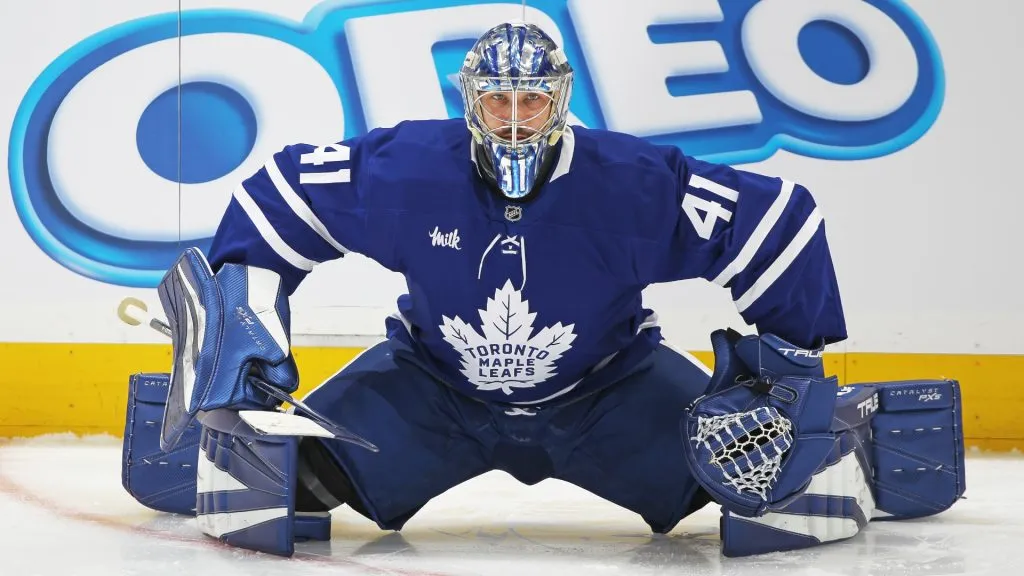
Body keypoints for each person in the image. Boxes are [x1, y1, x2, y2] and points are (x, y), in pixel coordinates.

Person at [126, 22, 964, 558]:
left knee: (772, 498)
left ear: (561, 98)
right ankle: (194, 437)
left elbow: (781, 221)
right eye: (498, 100)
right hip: (431, 389)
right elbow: (279, 195)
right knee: (266, 494)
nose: (517, 118)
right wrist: (243, 324)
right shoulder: (410, 170)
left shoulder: (629, 182)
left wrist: (786, 378)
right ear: (470, 103)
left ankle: (857, 438)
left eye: (533, 98)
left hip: (611, 391)